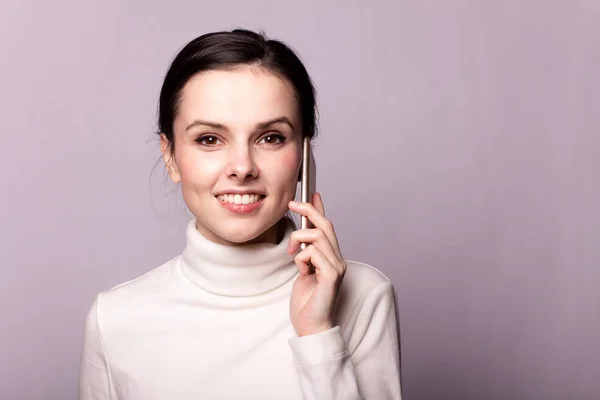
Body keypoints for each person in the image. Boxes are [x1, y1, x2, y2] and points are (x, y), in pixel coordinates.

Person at [78, 28, 402, 400]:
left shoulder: (364, 297)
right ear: (170, 156)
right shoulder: (116, 319)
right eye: (209, 139)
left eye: (271, 137)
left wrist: (318, 337)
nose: (242, 167)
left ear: (303, 156)